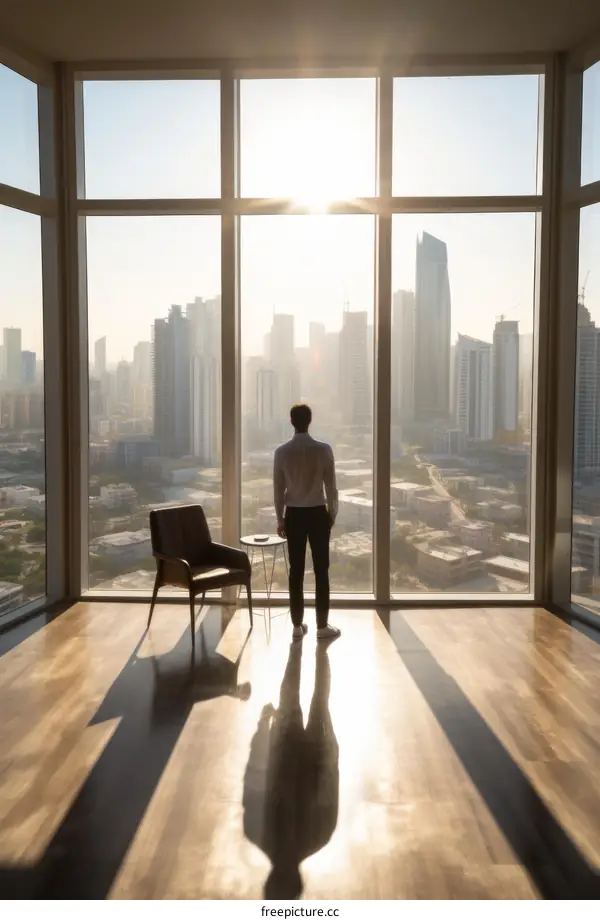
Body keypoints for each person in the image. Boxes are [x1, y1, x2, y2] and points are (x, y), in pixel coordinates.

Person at [273, 404, 340, 640]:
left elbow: (279, 489)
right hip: (317, 514)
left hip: (294, 515)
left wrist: (280, 519)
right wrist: (332, 514)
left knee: (296, 571)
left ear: (291, 421)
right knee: (322, 570)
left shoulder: (281, 452)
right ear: (310, 421)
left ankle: (296, 625)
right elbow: (331, 486)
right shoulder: (323, 450)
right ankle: (322, 626)